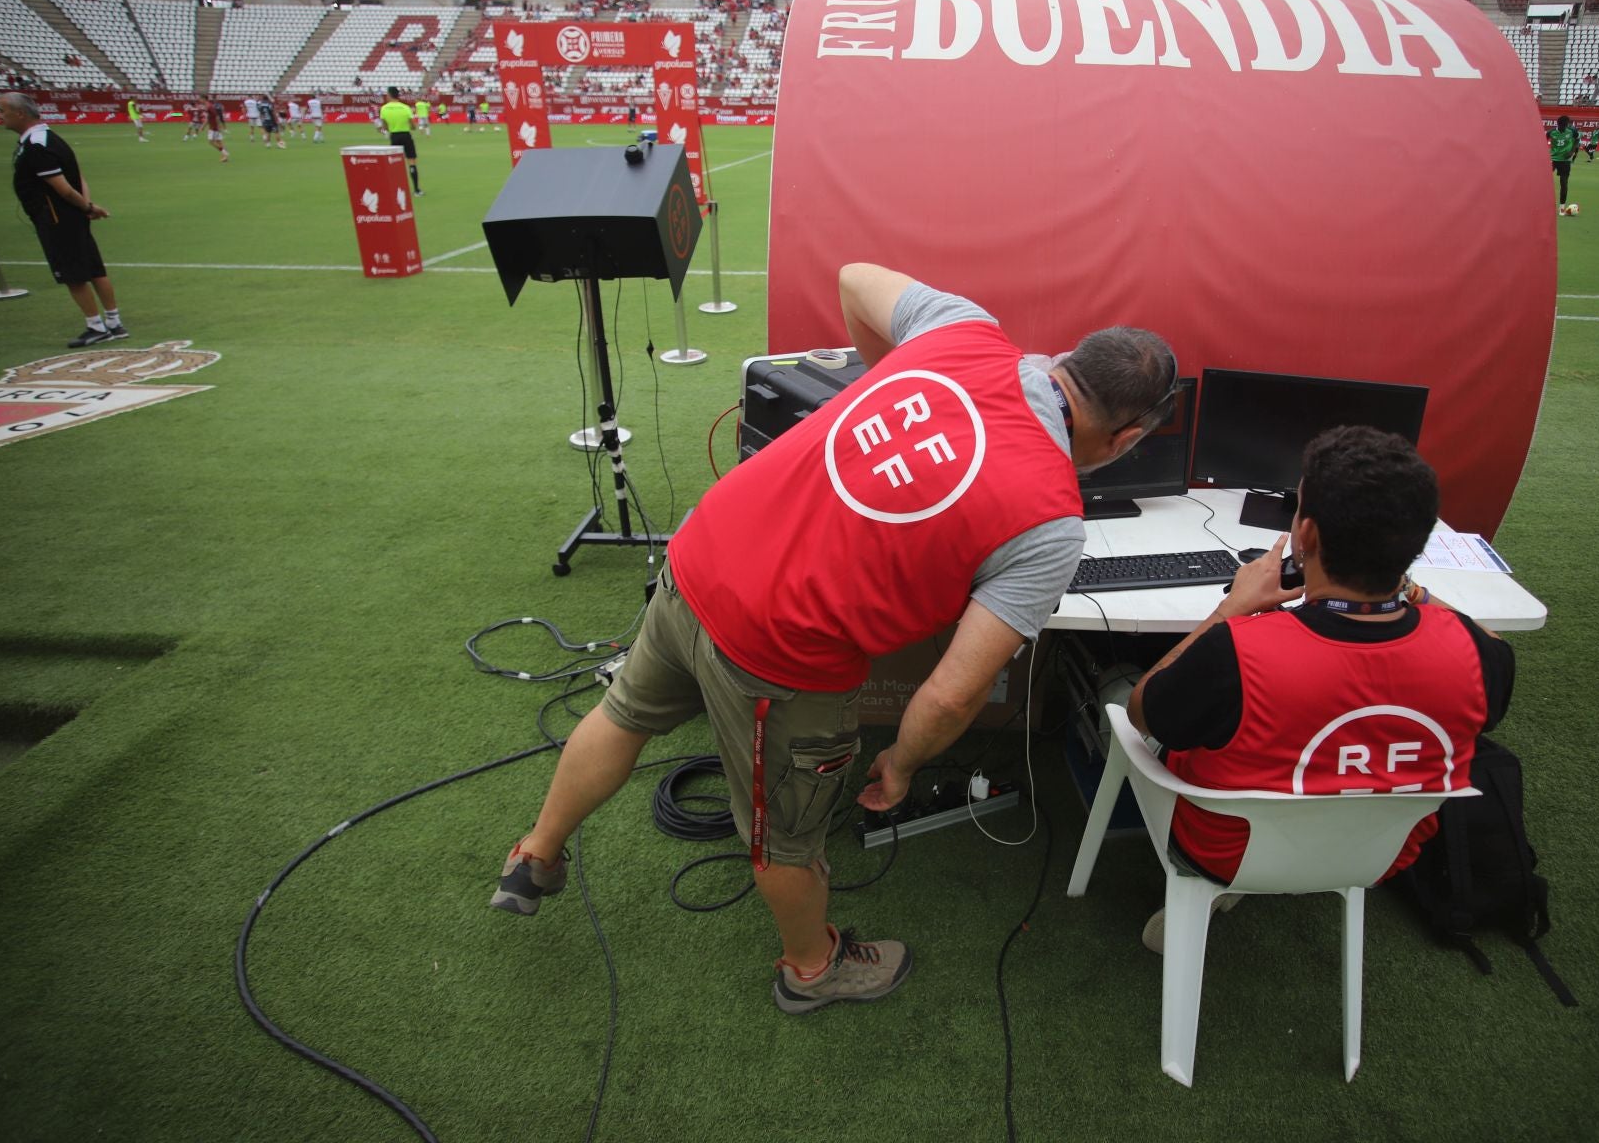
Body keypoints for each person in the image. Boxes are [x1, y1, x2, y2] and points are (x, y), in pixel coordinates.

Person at [491, 263, 1178, 1014]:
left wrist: (887, 379)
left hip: (703, 554)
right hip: (778, 652)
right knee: (786, 839)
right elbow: (952, 695)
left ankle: (535, 855)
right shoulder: (1051, 524)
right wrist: (902, 764)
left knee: (624, 714)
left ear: (1069, 357)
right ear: (1127, 437)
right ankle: (811, 969)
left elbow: (855, 280)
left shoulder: (963, 327)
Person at [1126, 425, 1513, 952]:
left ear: (1305, 535)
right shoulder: (1477, 656)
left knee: (1119, 686)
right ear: (1418, 542)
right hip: (1381, 856)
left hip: (1225, 851)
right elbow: (1491, 642)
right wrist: (1409, 589)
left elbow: (1143, 713)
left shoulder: (1236, 650)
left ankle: (1216, 886)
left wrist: (1230, 609)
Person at [0, 92, 128, 347]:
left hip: (57, 218)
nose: (0, 116)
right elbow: (78, 178)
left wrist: (87, 206)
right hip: (70, 215)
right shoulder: (49, 138)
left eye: (3, 111)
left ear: (20, 114)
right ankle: (114, 322)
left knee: (74, 275)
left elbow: (64, 188)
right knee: (94, 269)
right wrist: (86, 206)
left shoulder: (37, 145)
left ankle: (96, 326)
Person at [380, 87, 421, 195]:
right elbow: (413, 126)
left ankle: (396, 190)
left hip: (394, 136)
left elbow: (385, 127)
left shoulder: (384, 109)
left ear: (389, 95)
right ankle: (416, 190)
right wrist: (410, 126)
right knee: (411, 162)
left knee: (395, 163)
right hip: (406, 135)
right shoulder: (405, 108)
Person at [1547, 115, 1578, 216]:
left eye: (1566, 125)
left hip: (1565, 161)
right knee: (1544, 181)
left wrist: (1572, 151)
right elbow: (1541, 141)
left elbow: (1577, 140)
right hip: (1553, 160)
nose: (1564, 127)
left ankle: (1562, 208)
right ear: (1558, 124)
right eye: (1563, 126)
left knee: (1564, 184)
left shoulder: (1572, 131)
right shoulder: (1551, 132)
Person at [203, 95, 230, 163]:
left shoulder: (210, 106)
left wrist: (218, 126)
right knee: (219, 141)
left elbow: (216, 116)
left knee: (211, 141)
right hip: (214, 126)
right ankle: (225, 156)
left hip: (214, 127)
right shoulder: (211, 106)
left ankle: (225, 153)